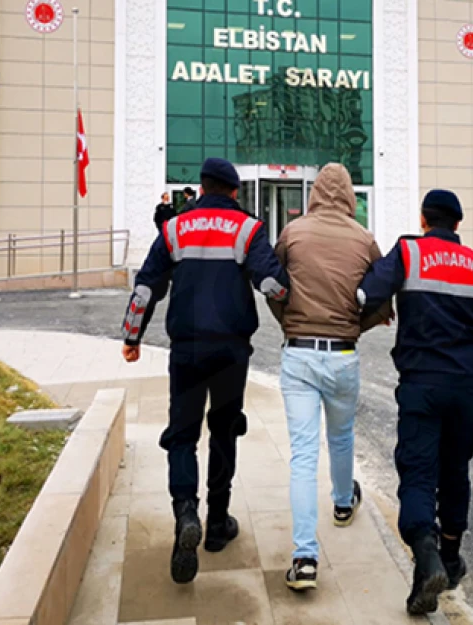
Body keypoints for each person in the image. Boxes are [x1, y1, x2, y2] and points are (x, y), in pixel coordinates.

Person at [121, 158, 290, 585]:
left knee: (182, 434)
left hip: (188, 350)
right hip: (232, 351)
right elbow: (272, 284)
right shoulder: (249, 228)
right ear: (234, 191)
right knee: (224, 428)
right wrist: (286, 294)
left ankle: (185, 513)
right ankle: (217, 524)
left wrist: (132, 337)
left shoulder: (175, 228)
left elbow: (146, 287)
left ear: (201, 187)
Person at [357, 189, 473, 615]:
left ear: (423, 219)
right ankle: (449, 558)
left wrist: (378, 309)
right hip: (465, 388)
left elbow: (366, 292)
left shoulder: (409, 253)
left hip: (420, 385)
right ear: (458, 225)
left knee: (417, 472)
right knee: (454, 470)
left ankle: (425, 554)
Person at [265, 163, 393, 591]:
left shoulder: (294, 233)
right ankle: (343, 503)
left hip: (299, 354)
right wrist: (356, 326)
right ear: (349, 195)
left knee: (303, 456)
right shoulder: (364, 239)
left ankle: (304, 558)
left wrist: (289, 322)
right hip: (342, 355)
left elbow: (273, 284)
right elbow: (381, 295)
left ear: (317, 192)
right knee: (341, 437)